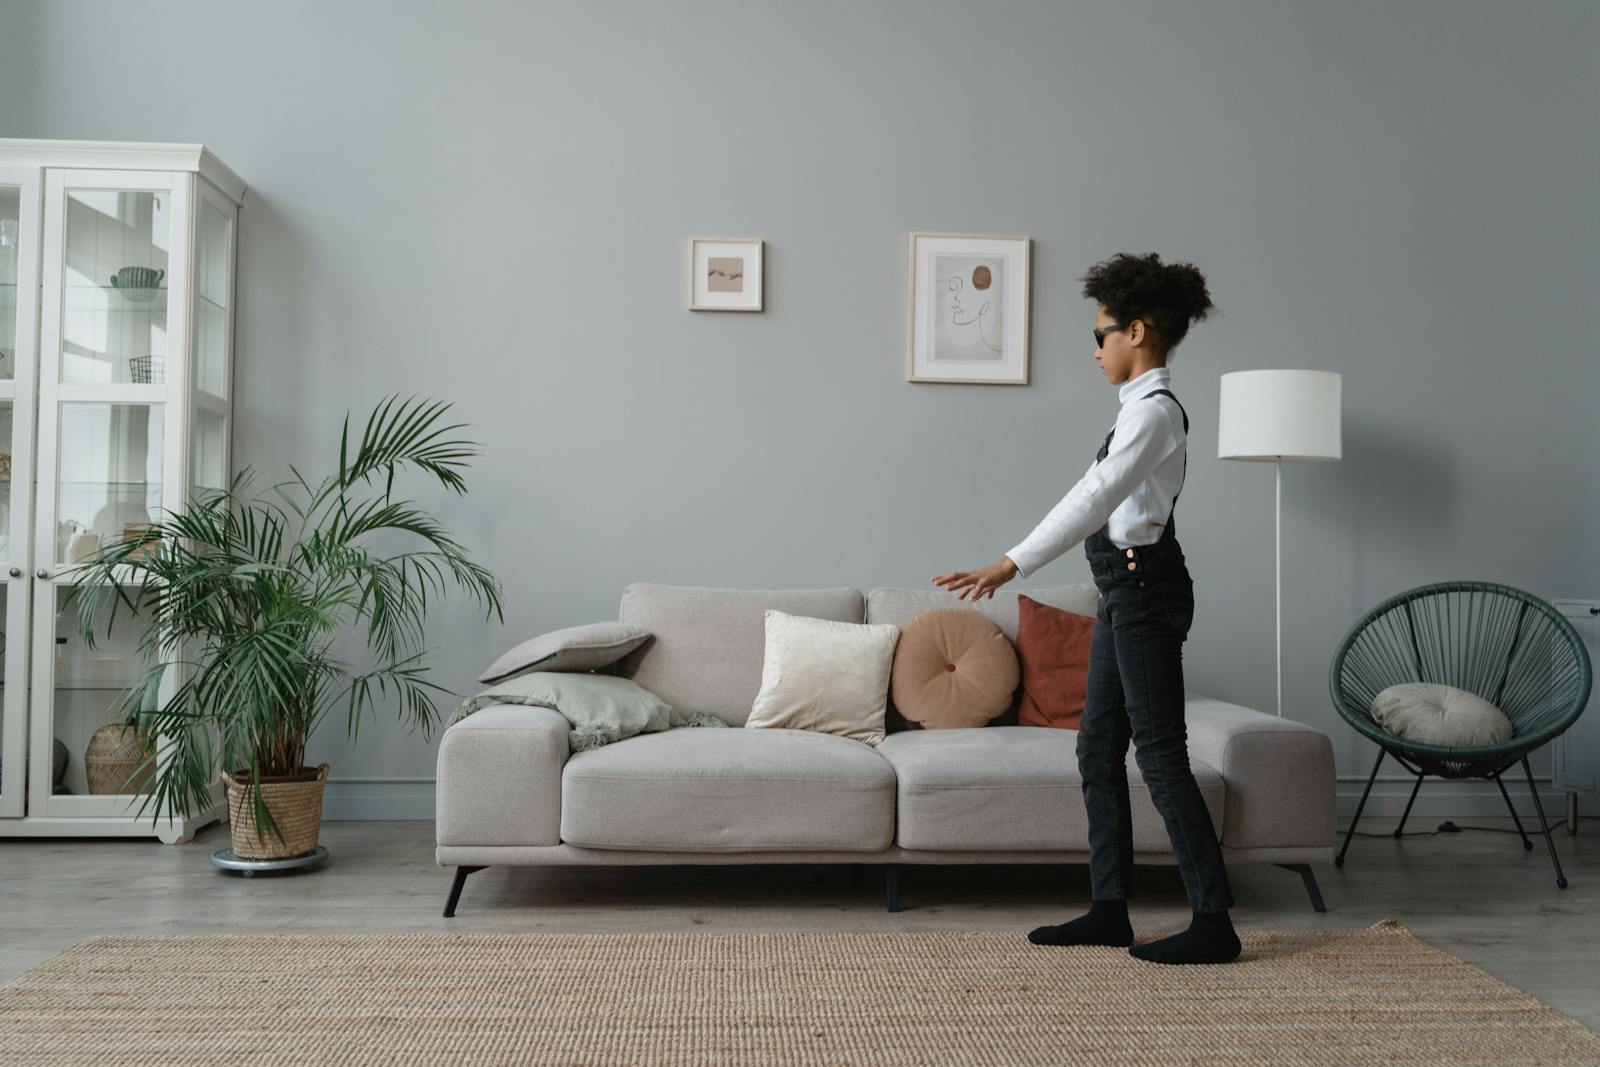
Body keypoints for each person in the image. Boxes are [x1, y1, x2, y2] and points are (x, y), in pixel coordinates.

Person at [930, 252, 1240, 966]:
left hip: (1145, 593)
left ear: (1137, 331)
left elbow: (1095, 500)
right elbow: (1089, 490)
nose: (1096, 349)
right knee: (1096, 747)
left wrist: (1011, 563)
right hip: (1123, 593)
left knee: (1158, 754)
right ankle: (1109, 909)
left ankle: (1214, 922)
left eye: (1101, 334)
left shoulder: (1154, 414)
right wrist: (1015, 556)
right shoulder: (1135, 413)